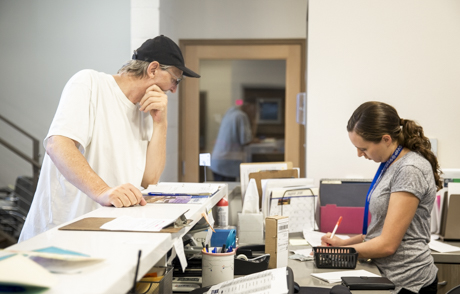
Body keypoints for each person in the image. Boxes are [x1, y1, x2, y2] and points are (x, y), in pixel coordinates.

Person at [19, 35, 200, 242]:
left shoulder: (146, 109)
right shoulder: (90, 83)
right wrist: (103, 192)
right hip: (59, 236)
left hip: (106, 236)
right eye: (175, 80)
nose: (174, 89)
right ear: (153, 69)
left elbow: (149, 180)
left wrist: (161, 122)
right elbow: (57, 145)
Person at [321, 101, 441, 294]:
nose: (359, 154)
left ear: (386, 139)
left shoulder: (410, 169)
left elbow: (387, 245)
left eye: (364, 148)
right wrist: (344, 244)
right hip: (386, 275)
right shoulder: (390, 164)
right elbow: (380, 229)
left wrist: (341, 253)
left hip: (407, 281)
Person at [210, 100, 257, 181]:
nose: (254, 112)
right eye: (254, 109)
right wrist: (254, 122)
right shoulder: (241, 116)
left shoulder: (229, 113)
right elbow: (246, 140)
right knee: (228, 190)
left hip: (217, 161)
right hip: (227, 162)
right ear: (248, 106)